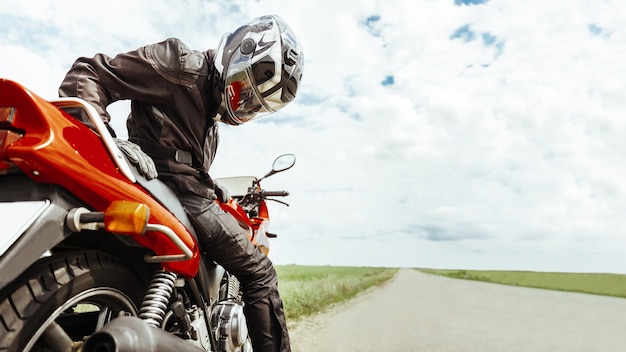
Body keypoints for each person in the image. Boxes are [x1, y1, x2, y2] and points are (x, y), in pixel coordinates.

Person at [58, 15, 304, 352]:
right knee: (260, 272)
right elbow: (92, 71)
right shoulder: (180, 65)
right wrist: (103, 138)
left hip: (182, 191)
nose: (244, 107)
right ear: (236, 52)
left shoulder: (211, 121)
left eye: (254, 106)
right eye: (244, 91)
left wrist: (211, 184)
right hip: (169, 191)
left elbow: (182, 160)